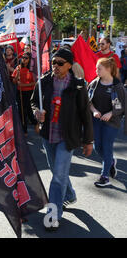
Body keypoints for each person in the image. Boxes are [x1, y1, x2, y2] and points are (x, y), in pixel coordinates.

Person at [31, 47, 93, 231]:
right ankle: (70, 194)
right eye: (53, 62)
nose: (55, 66)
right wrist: (36, 112)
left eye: (60, 63)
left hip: (67, 137)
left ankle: (53, 215)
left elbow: (85, 114)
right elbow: (34, 101)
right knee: (56, 170)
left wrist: (88, 140)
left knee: (58, 176)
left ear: (69, 65)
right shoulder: (44, 81)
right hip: (48, 135)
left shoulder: (78, 85)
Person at [87, 57, 126, 187]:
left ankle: (104, 176)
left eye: (99, 68)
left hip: (112, 122)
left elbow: (121, 106)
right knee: (98, 147)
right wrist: (94, 111)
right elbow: (88, 101)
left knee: (107, 147)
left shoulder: (117, 86)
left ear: (108, 69)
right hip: (97, 120)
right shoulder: (94, 83)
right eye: (96, 68)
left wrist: (111, 113)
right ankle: (110, 162)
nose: (96, 70)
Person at [12, 52, 37, 134]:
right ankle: (24, 130)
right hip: (20, 92)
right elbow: (14, 81)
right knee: (21, 111)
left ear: (29, 59)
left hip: (29, 93)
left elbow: (35, 82)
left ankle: (36, 123)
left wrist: (24, 84)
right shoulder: (18, 67)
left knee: (29, 111)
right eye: (23, 57)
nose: (23, 59)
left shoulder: (32, 69)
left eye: (26, 58)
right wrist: (17, 74)